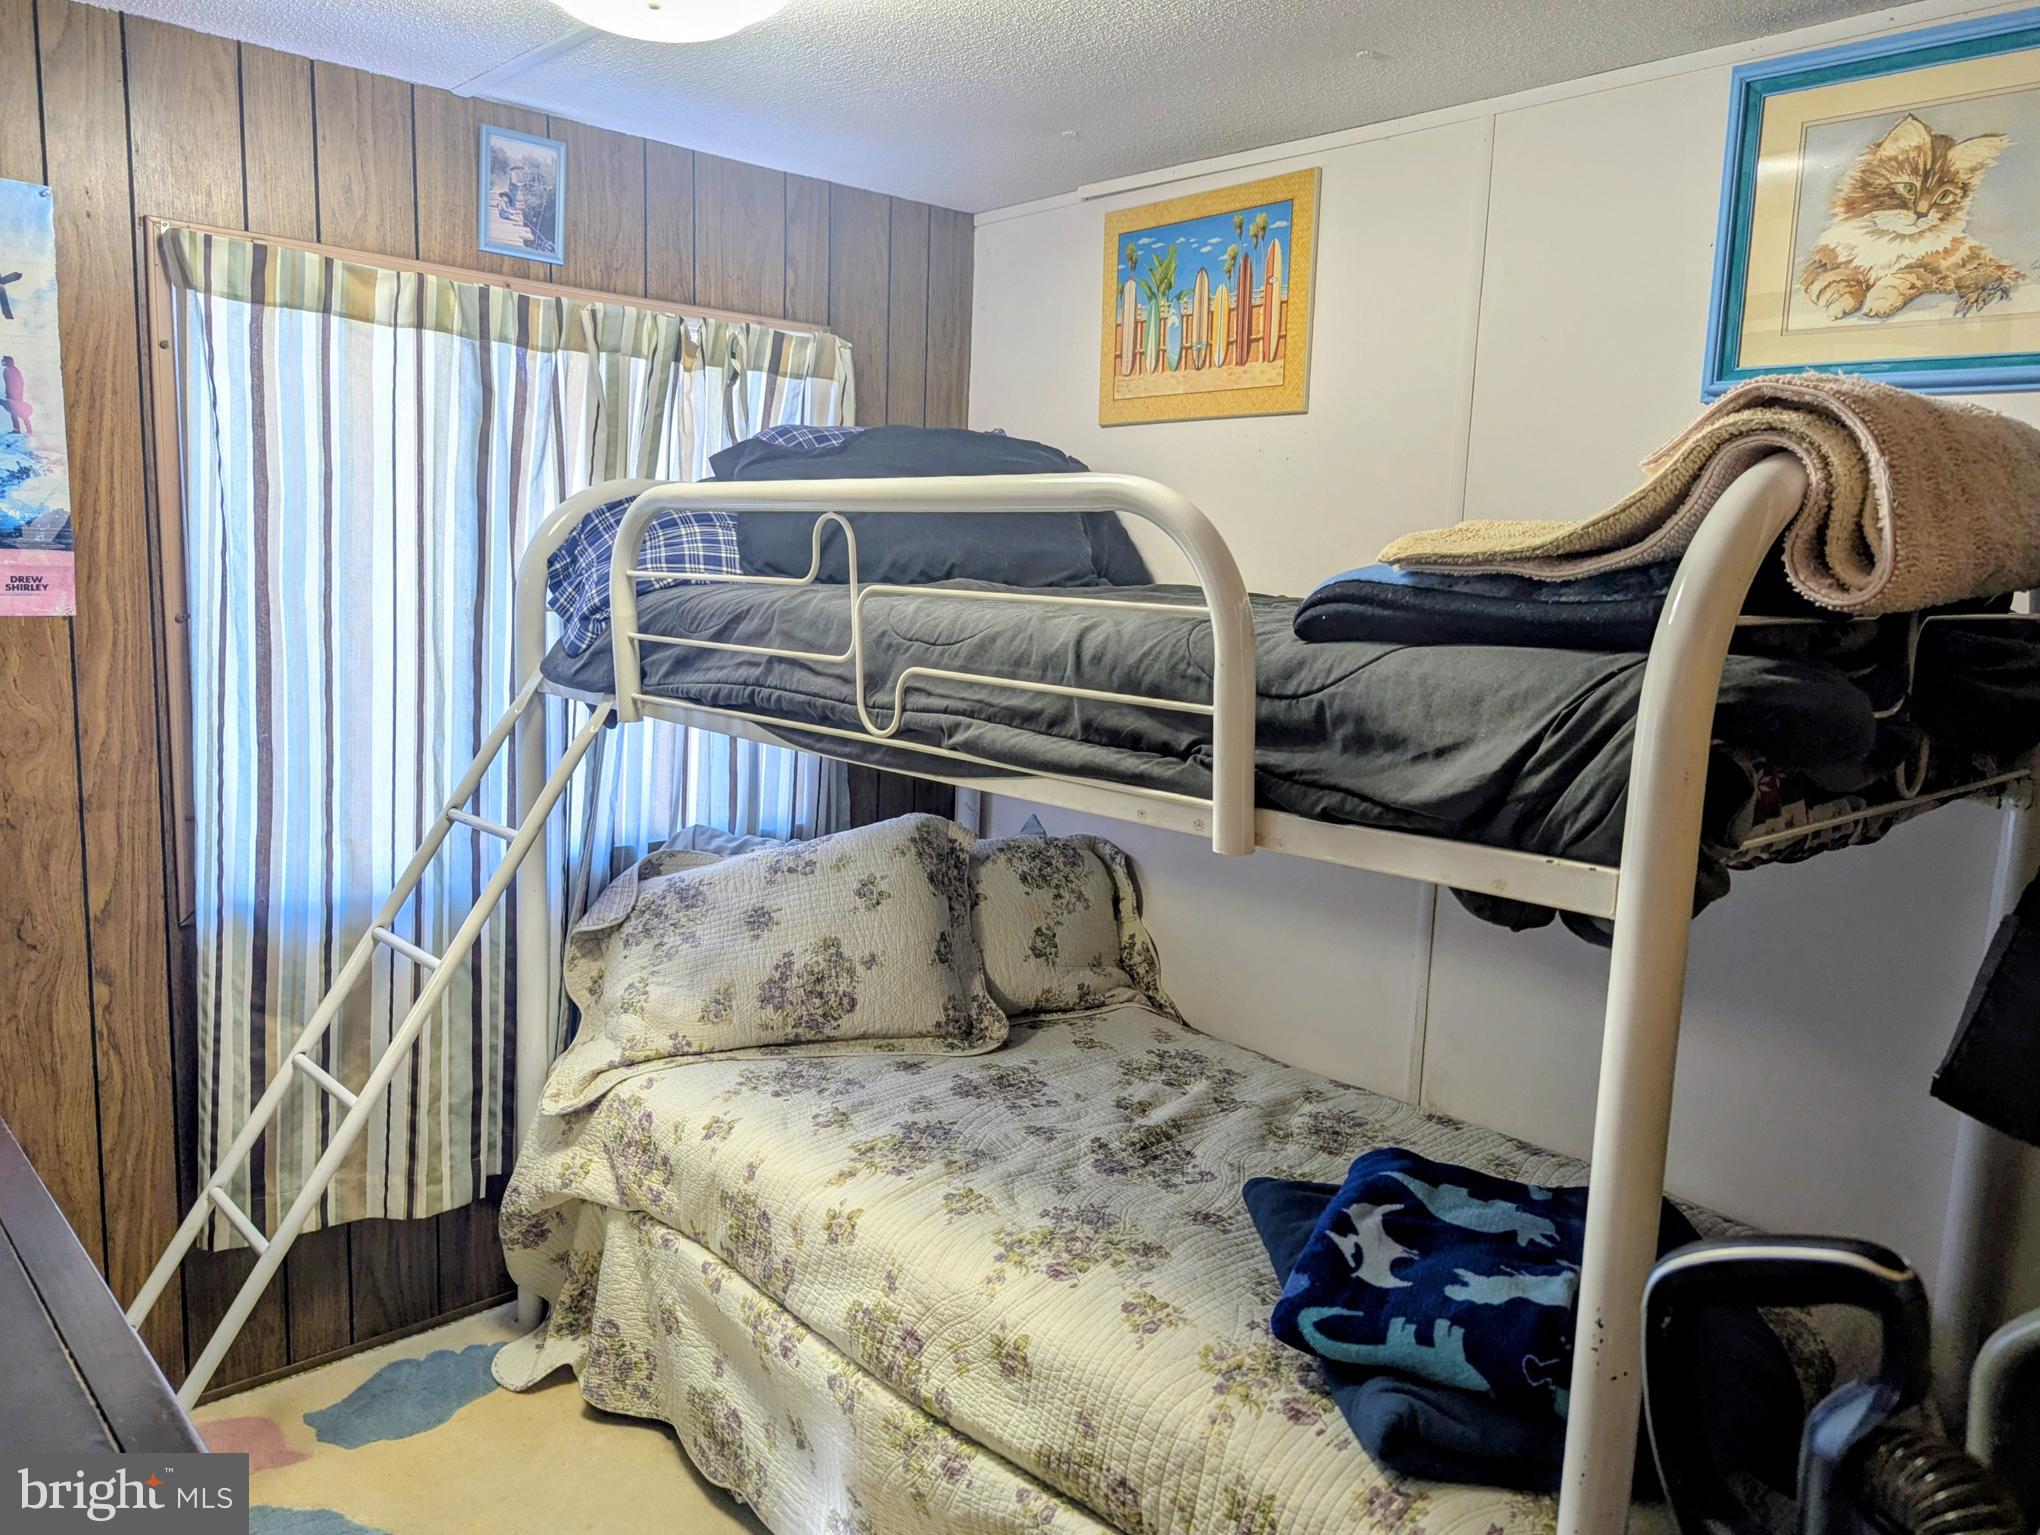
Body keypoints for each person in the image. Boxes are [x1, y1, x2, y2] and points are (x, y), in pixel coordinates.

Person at [2, 355, 30, 436]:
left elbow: (21, 383)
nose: (3, 363)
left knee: (20, 410)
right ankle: (16, 429)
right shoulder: (5, 371)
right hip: (10, 394)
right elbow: (7, 383)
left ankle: (28, 428)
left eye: (4, 361)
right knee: (12, 411)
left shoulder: (15, 371)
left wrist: (18, 395)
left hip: (17, 395)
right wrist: (7, 393)